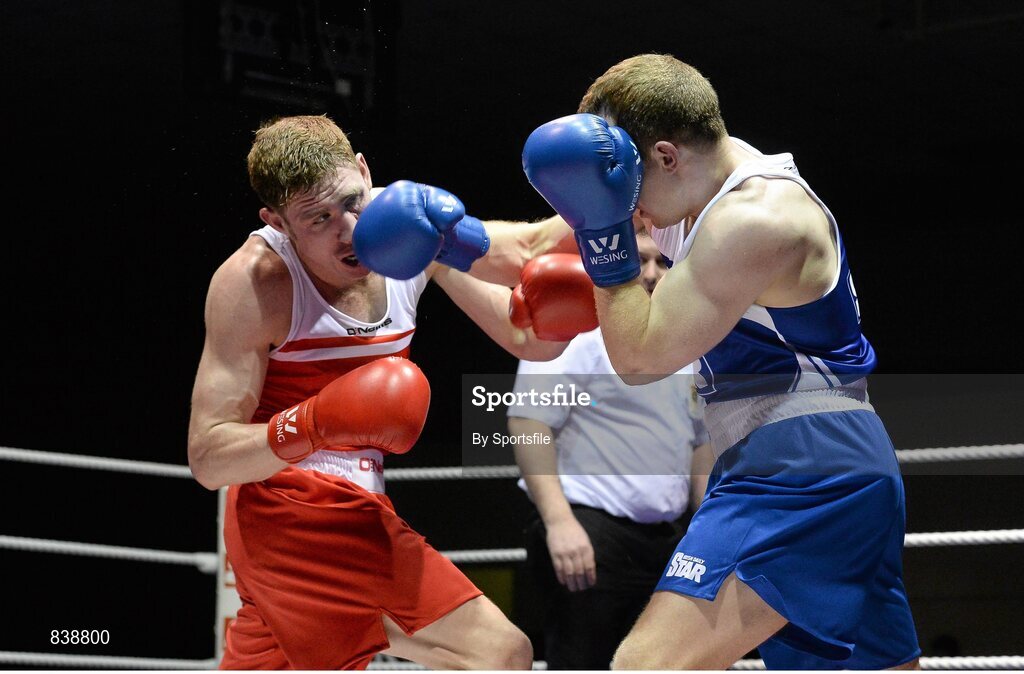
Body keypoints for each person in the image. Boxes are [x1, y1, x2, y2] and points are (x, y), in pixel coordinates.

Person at [521, 55, 920, 670]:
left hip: (803, 472)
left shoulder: (753, 219)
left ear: (665, 156)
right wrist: (444, 244)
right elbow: (522, 248)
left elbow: (637, 357)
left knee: (644, 666)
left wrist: (602, 228)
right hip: (807, 467)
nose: (629, 208)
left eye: (623, 183)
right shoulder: (697, 194)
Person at [187, 114, 592, 670]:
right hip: (287, 511)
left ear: (364, 171)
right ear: (276, 222)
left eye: (353, 202)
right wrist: (313, 423)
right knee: (499, 653)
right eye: (318, 219)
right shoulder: (255, 284)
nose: (349, 230)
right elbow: (209, 457)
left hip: (359, 501)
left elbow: (525, 323)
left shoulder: (407, 228)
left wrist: (594, 242)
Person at [507, 232, 714, 670]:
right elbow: (528, 421)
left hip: (666, 539)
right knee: (585, 661)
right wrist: (559, 523)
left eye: (663, 261)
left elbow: (700, 440)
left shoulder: (685, 341)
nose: (653, 273)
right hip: (588, 531)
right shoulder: (575, 324)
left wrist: (708, 527)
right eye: (640, 260)